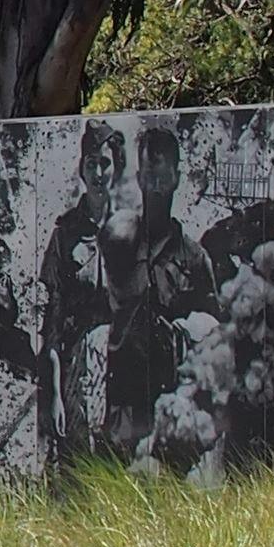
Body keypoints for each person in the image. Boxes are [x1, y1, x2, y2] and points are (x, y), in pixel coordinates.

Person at [101, 123, 216, 454]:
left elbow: (212, 334)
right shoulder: (120, 240)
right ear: (139, 179)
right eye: (149, 177)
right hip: (121, 398)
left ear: (177, 179)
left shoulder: (194, 258)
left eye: (163, 178)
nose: (155, 187)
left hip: (168, 405)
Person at [39, 122, 126, 459]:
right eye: (91, 163)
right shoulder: (65, 234)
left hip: (122, 364)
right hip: (79, 364)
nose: (98, 172)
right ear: (81, 169)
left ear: (116, 168)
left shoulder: (130, 230)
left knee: (119, 465)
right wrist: (55, 394)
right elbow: (53, 321)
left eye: (105, 163)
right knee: (78, 459)